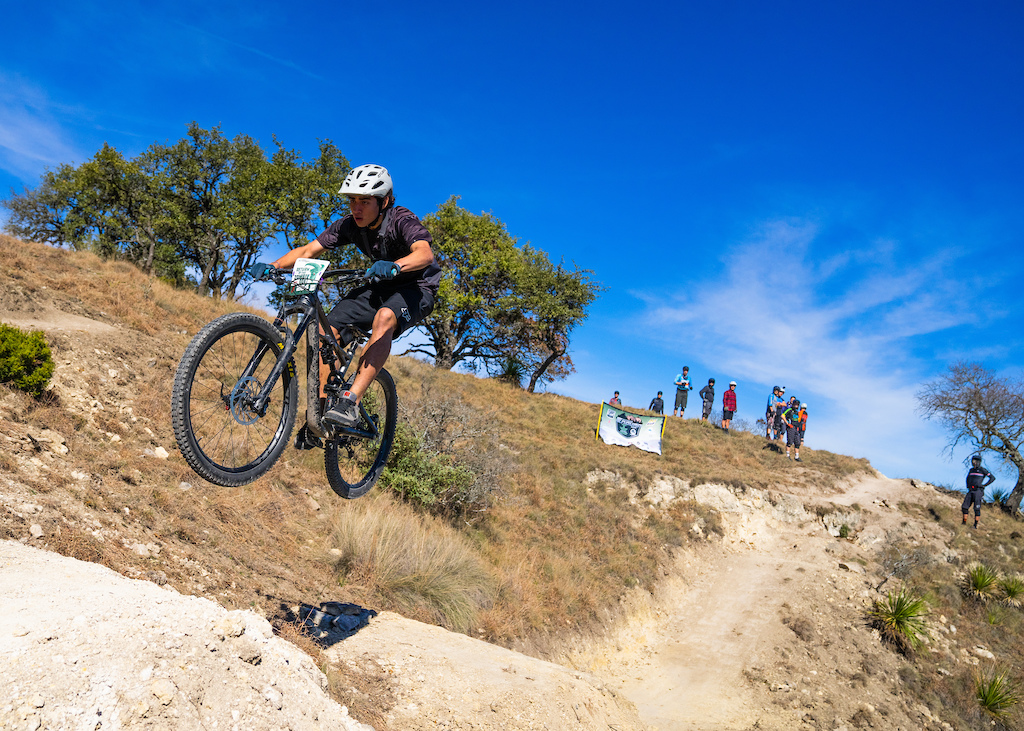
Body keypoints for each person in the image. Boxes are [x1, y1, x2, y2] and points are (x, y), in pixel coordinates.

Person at [254, 164, 441, 434]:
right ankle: (319, 417)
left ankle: (350, 402)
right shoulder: (349, 225)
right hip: (381, 284)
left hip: (417, 288)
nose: (356, 208)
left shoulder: (401, 220)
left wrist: (396, 265)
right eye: (352, 200)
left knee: (384, 317)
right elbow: (309, 250)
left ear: (384, 201)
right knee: (324, 332)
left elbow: (424, 253)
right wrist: (273, 266)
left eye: (364, 201)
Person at [962, 455, 995, 530]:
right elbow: (967, 478)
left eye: (975, 461)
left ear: (979, 462)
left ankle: (975, 525)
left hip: (978, 491)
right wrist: (968, 486)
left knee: (976, 508)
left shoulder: (982, 470)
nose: (974, 462)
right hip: (971, 490)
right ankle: (964, 523)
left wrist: (984, 485)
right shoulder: (971, 470)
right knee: (964, 507)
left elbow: (992, 478)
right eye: (973, 461)